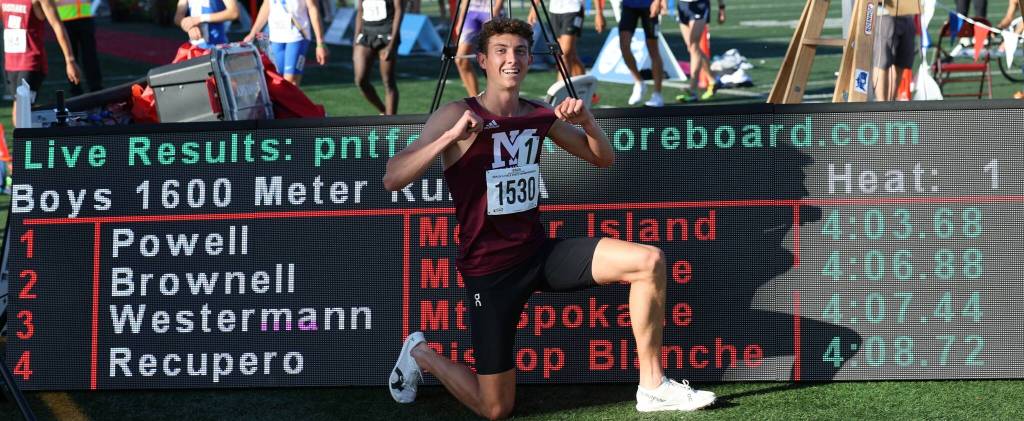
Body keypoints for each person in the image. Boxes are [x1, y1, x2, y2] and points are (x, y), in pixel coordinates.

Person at [382, 18, 716, 419]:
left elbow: (602, 158)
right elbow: (392, 178)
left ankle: (653, 387)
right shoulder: (456, 114)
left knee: (649, 261)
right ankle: (422, 354)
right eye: (501, 51)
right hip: (490, 271)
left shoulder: (538, 115)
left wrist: (588, 122)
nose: (512, 59)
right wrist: (449, 139)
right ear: (483, 61)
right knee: (496, 409)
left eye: (520, 51)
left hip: (538, 253)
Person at [1, 0, 81, 127]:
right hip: (11, 62)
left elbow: (57, 25)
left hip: (31, 62)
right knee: (21, 111)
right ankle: (41, 135)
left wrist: (70, 60)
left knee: (20, 112)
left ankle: (28, 144)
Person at [245, 0, 329, 86]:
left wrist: (320, 43)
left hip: (298, 36)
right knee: (277, 80)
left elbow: (313, 8)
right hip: (276, 37)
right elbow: (266, 6)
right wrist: (253, 33)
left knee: (290, 82)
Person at [601, 0, 665, 106]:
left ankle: (657, 94)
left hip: (649, 5)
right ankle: (639, 82)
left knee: (653, 49)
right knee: (624, 46)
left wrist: (658, 1)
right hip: (628, 5)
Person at [526, 0, 605, 82]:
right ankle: (586, 89)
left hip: (574, 9)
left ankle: (561, 92)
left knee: (564, 55)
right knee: (571, 55)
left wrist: (599, 13)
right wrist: (534, 8)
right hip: (555, 10)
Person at [350, 0, 402, 114]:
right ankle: (384, 111)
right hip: (366, 33)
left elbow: (398, 10)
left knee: (388, 81)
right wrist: (356, 40)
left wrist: (392, 44)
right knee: (360, 80)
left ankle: (390, 122)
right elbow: (360, 10)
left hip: (386, 34)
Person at [674, 0, 724, 102]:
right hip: (682, 5)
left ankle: (692, 90)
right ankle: (713, 80)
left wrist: (721, 7)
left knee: (694, 46)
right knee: (691, 48)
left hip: (699, 4)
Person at [454, 0, 503, 96]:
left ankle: (501, 99)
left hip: (491, 10)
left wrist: (496, 10)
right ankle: (475, 102)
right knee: (460, 59)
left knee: (494, 59)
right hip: (471, 11)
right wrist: (461, 19)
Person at [872, 0, 918, 101]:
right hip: (884, 13)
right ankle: (881, 106)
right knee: (882, 63)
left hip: (908, 13)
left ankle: (891, 104)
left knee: (902, 63)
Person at [55, 0, 102, 95]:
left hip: (85, 17)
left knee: (90, 56)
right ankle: (76, 89)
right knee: (71, 57)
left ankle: (95, 88)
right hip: (65, 19)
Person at [174, 0, 240, 49]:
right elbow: (178, 17)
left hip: (217, 46)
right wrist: (189, 26)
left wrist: (199, 19)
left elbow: (234, 12)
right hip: (195, 47)